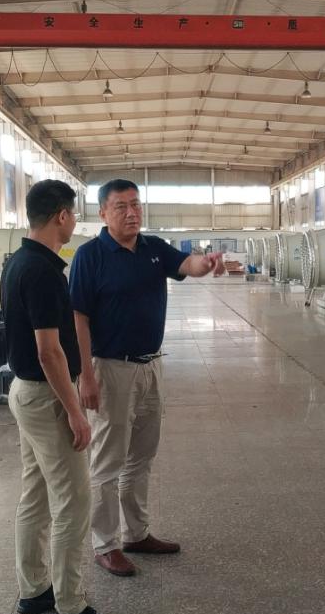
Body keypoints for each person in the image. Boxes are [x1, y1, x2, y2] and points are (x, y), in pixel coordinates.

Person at [69, 179, 224, 577]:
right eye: (121, 206)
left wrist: (204, 263)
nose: (131, 213)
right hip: (110, 368)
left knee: (141, 456)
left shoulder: (153, 248)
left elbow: (186, 265)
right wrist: (86, 375)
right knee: (107, 462)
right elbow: (78, 318)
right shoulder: (90, 256)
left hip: (150, 366)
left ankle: (136, 533)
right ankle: (105, 544)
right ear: (103, 213)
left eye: (136, 205)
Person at [0, 180, 122, 614]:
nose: (74, 223)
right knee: (73, 501)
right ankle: (70, 608)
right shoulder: (44, 271)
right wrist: (74, 411)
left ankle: (34, 589)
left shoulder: (19, 261)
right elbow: (49, 351)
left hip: (25, 391)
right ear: (62, 217)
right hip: (47, 396)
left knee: (35, 493)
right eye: (73, 215)